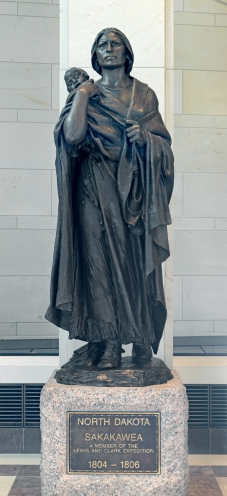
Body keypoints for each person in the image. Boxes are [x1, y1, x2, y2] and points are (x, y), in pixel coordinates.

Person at [45, 28, 174, 369]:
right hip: (94, 187)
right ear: (95, 55)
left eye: (115, 43)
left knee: (135, 264)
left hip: (133, 191)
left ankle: (142, 336)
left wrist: (145, 139)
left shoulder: (143, 95)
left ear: (127, 52)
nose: (109, 49)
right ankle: (110, 342)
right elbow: (71, 137)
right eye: (102, 45)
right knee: (98, 264)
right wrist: (84, 95)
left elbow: (163, 144)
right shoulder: (87, 92)